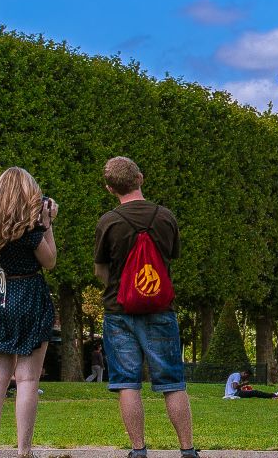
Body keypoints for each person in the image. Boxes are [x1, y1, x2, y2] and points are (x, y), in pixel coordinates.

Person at [95, 158, 197, 458]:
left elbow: (101, 270)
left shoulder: (108, 222)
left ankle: (138, 450)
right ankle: (187, 450)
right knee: (173, 383)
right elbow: (170, 258)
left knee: (127, 383)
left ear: (110, 188)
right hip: (160, 309)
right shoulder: (165, 217)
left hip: (119, 311)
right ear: (140, 177)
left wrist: (120, 286)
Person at [0, 168, 58, 458]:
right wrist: (47, 225)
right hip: (29, 297)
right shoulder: (30, 229)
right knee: (28, 379)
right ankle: (24, 450)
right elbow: (49, 261)